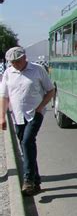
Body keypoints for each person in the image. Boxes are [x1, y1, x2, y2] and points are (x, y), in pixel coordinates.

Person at [0, 46, 55, 196]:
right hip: (17, 115)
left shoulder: (37, 70)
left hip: (35, 113)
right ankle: (36, 181)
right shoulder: (8, 73)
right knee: (26, 147)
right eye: (12, 62)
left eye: (17, 61)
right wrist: (2, 117)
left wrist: (41, 107)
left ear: (24, 58)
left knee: (27, 142)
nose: (15, 65)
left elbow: (50, 90)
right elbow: (4, 96)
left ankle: (28, 179)